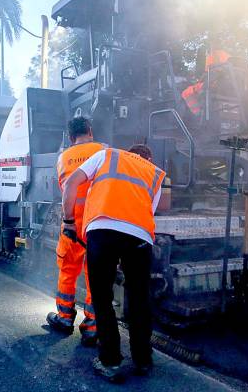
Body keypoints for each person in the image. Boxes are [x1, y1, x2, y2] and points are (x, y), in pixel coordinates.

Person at [62, 144, 164, 383]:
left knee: (102, 298)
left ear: (129, 152)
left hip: (103, 229)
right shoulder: (155, 172)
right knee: (139, 298)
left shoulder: (106, 155)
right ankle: (143, 360)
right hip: (140, 237)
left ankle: (110, 361)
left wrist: (69, 222)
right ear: (147, 157)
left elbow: (70, 184)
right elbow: (149, 210)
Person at [46, 117, 104, 347]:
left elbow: (65, 188)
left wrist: (69, 220)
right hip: (97, 222)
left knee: (68, 270)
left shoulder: (63, 158)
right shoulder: (103, 151)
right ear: (90, 130)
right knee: (95, 275)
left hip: (72, 224)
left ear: (71, 137)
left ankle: (65, 318)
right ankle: (92, 327)